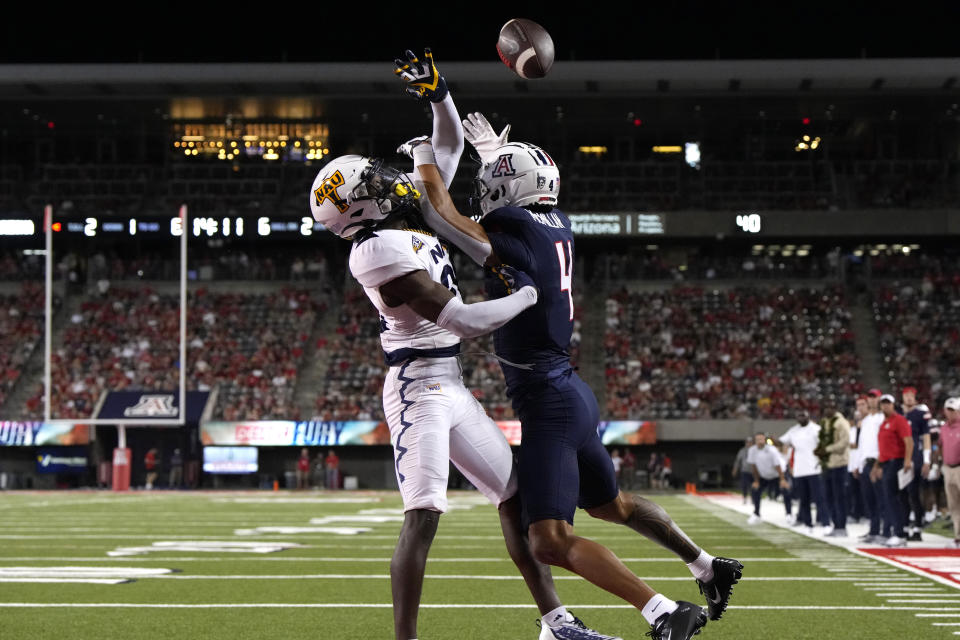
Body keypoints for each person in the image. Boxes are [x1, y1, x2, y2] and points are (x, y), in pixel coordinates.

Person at [310, 50, 614, 640]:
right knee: (423, 518)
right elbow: (464, 319)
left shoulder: (411, 220)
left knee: (515, 492)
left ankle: (555, 621)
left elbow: (444, 145)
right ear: (359, 208)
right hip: (416, 390)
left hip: (450, 384)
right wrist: (529, 297)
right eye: (372, 181)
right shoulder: (375, 251)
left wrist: (438, 92)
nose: (384, 177)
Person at [414, 110, 742, 640]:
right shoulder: (554, 220)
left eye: (489, 179)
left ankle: (662, 610)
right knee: (611, 505)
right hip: (569, 391)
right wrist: (497, 153)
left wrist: (424, 154)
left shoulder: (513, 228)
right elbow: (514, 194)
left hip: (549, 401)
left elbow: (439, 212)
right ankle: (707, 566)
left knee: (547, 539)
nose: (482, 191)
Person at [872, 394, 915, 547]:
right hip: (886, 463)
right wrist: (877, 465)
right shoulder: (884, 423)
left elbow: (909, 441)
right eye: (883, 404)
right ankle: (894, 531)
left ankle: (899, 533)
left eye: (888, 404)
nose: (885, 406)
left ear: (893, 405)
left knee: (894, 498)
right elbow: (883, 448)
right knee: (889, 499)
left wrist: (907, 460)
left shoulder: (899, 420)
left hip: (896, 462)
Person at [777, 410, 830, 531]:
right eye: (799, 416)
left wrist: (822, 456)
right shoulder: (793, 430)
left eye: (803, 415)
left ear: (808, 416)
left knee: (819, 498)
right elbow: (781, 441)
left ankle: (826, 523)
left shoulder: (816, 429)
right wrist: (770, 439)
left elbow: (824, 444)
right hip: (800, 470)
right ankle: (808, 524)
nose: (801, 418)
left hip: (814, 468)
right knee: (804, 499)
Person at [901, 386, 933, 541]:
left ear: (915, 397)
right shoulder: (898, 414)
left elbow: (926, 437)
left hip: (915, 458)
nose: (908, 398)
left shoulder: (920, 414)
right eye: (905, 395)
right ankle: (905, 527)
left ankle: (918, 527)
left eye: (910, 395)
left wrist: (927, 460)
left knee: (914, 494)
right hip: (899, 459)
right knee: (902, 495)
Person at [857, 389, 888, 543]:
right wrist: (858, 464)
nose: (871, 400)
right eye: (869, 397)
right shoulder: (867, 420)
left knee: (882, 498)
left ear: (879, 399)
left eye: (874, 397)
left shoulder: (883, 418)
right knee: (870, 500)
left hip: (878, 462)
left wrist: (880, 464)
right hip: (865, 463)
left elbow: (883, 443)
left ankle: (885, 531)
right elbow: (862, 444)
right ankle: (874, 530)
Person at [819, 403, 851, 537]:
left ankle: (841, 526)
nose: (827, 410)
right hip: (827, 464)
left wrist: (827, 449)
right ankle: (835, 524)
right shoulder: (825, 422)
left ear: (835, 409)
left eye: (830, 407)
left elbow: (844, 442)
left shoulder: (841, 423)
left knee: (839, 497)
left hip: (839, 464)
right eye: (825, 407)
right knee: (829, 497)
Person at [746, 432, 789, 524]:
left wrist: (782, 479)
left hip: (776, 475)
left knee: (786, 491)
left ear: (765, 440)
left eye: (761, 439)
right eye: (757, 440)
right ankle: (756, 514)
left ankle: (789, 514)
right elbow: (754, 467)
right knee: (755, 490)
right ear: (755, 441)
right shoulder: (752, 450)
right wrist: (756, 481)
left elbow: (778, 466)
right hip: (764, 476)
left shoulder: (771, 450)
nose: (760, 441)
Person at [938, 398, 960, 548]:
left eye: (953, 410)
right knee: (953, 505)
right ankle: (958, 537)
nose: (950, 413)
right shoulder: (944, 428)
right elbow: (940, 445)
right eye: (948, 409)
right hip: (948, 468)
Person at [732, 437, 752, 504]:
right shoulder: (742, 451)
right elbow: (738, 461)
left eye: (750, 442)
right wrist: (735, 469)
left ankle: (753, 498)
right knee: (744, 485)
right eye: (747, 442)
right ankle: (745, 498)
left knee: (752, 485)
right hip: (744, 470)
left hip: (753, 471)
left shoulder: (755, 450)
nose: (748, 443)